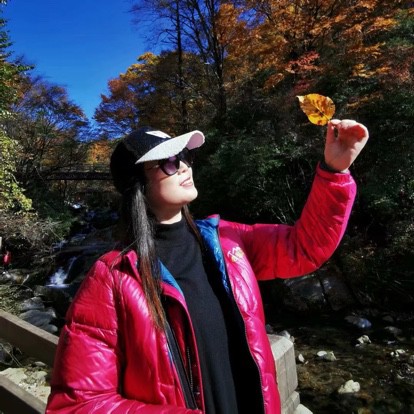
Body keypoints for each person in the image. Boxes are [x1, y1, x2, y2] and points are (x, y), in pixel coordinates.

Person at [46, 120, 369, 414]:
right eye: (169, 161)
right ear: (138, 183)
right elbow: (77, 404)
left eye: (185, 156)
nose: (184, 166)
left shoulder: (227, 242)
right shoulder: (113, 278)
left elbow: (303, 247)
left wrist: (333, 171)